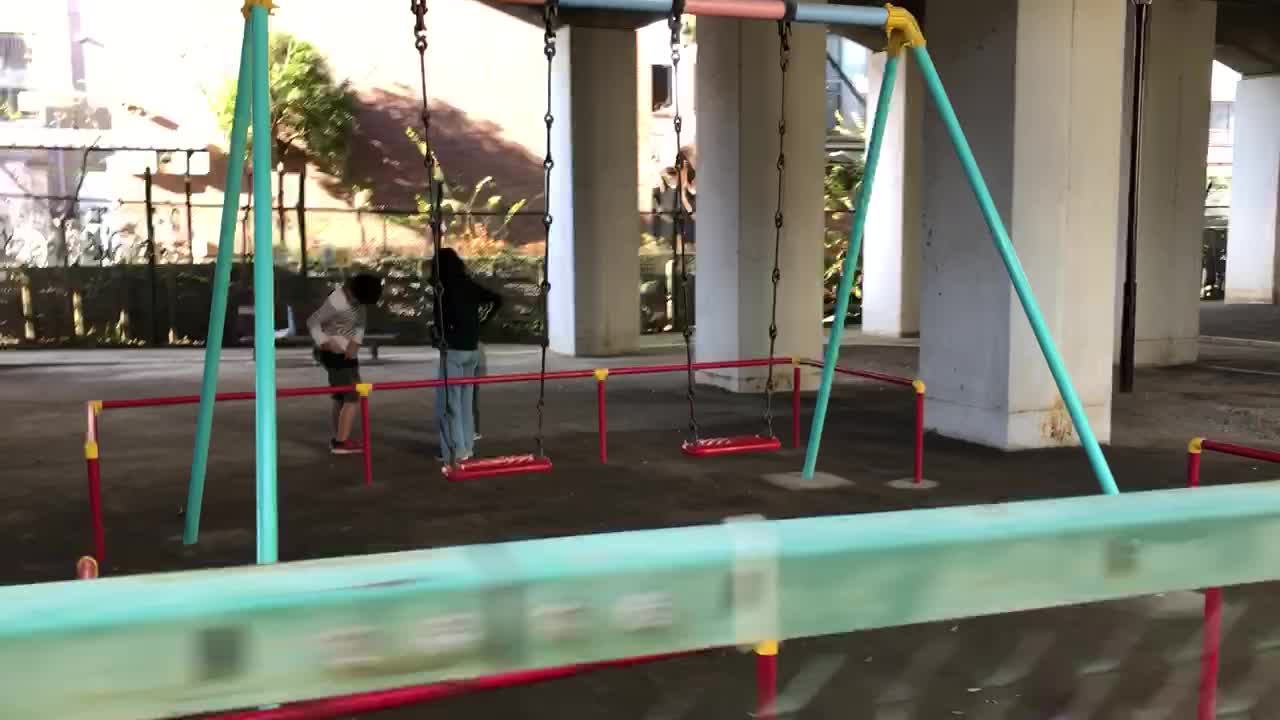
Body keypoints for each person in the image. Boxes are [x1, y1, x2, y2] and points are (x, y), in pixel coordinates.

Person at [430, 248, 502, 464]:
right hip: (471, 349)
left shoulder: (442, 289)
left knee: (449, 404)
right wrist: (481, 323)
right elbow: (497, 299)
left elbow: (439, 322)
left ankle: (453, 451)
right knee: (465, 402)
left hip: (452, 350)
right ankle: (467, 447)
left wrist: (444, 334)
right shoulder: (468, 285)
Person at [308, 273, 383, 455]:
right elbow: (313, 321)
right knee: (351, 396)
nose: (360, 304)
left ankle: (341, 438)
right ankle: (341, 442)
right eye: (358, 300)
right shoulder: (337, 301)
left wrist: (355, 344)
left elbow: (360, 325)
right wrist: (325, 343)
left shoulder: (358, 301)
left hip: (347, 353)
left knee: (342, 396)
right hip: (333, 354)